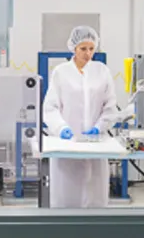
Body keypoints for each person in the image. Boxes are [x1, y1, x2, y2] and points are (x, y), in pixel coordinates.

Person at [42, 26, 117, 208]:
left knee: (95, 194)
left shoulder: (102, 71)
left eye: (91, 49)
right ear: (74, 48)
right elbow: (50, 107)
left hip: (96, 144)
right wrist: (62, 128)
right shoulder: (61, 72)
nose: (88, 53)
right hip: (67, 144)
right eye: (83, 49)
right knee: (67, 195)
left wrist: (100, 126)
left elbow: (110, 107)